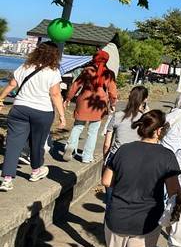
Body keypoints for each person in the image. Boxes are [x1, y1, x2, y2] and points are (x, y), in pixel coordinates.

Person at [102, 110, 181, 247]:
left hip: (116, 216)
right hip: (146, 221)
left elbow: (106, 180)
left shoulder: (124, 150)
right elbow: (174, 191)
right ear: (160, 130)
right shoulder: (166, 156)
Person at [0, 41, 65, 191]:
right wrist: (62, 115)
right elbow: (55, 94)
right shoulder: (52, 71)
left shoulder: (25, 67)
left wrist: (1, 98)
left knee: (13, 144)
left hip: (20, 109)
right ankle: (36, 171)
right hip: (42, 112)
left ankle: (7, 179)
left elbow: (11, 84)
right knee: (37, 143)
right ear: (54, 56)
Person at [63, 49, 117, 163]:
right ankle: (87, 157)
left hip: (83, 101)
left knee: (77, 127)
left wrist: (68, 98)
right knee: (93, 131)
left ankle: (70, 147)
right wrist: (112, 103)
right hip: (99, 104)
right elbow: (112, 92)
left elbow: (75, 85)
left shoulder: (86, 71)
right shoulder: (109, 74)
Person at [102, 86, 149, 162]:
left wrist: (105, 160)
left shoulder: (117, 115)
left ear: (129, 97)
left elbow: (107, 144)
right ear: (145, 99)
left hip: (116, 156)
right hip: (135, 158)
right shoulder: (145, 119)